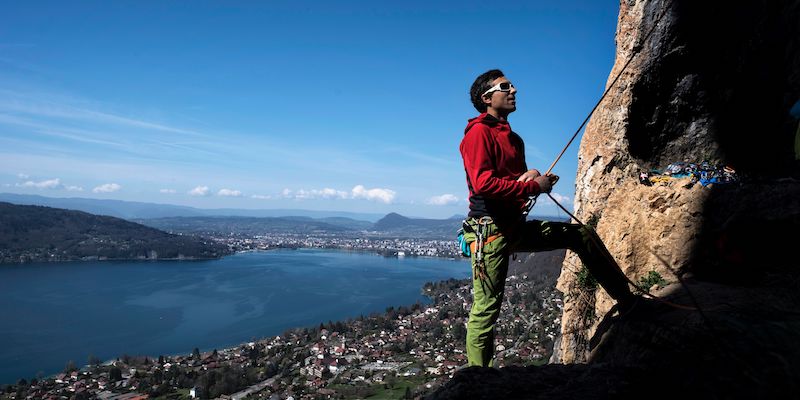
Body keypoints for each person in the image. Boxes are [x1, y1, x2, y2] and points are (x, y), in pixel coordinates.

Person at [459, 69, 637, 367]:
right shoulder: (479, 133)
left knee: (580, 235)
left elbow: (509, 183)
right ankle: (478, 378)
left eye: (513, 85)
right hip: (489, 229)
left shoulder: (514, 139)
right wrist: (532, 185)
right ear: (486, 98)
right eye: (505, 86)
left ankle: (628, 301)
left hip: (511, 225)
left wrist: (528, 178)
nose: (514, 90)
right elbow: (483, 184)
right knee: (486, 309)